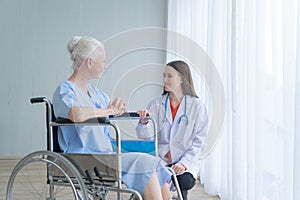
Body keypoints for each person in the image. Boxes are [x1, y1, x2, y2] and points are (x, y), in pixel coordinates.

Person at [52, 36, 172, 200]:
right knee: (145, 163)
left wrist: (120, 109)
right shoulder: (65, 90)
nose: (104, 66)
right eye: (102, 61)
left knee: (153, 163)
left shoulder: (95, 92)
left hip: (106, 154)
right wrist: (108, 110)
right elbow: (76, 114)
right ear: (89, 62)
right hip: (84, 158)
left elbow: (111, 109)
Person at [136, 60, 209, 200]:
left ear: (182, 79)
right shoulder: (156, 104)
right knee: (149, 180)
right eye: (164, 76)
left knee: (183, 180)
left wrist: (184, 163)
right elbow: (146, 138)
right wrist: (144, 122)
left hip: (184, 161)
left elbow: (199, 142)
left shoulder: (197, 107)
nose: (164, 80)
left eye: (169, 76)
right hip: (161, 159)